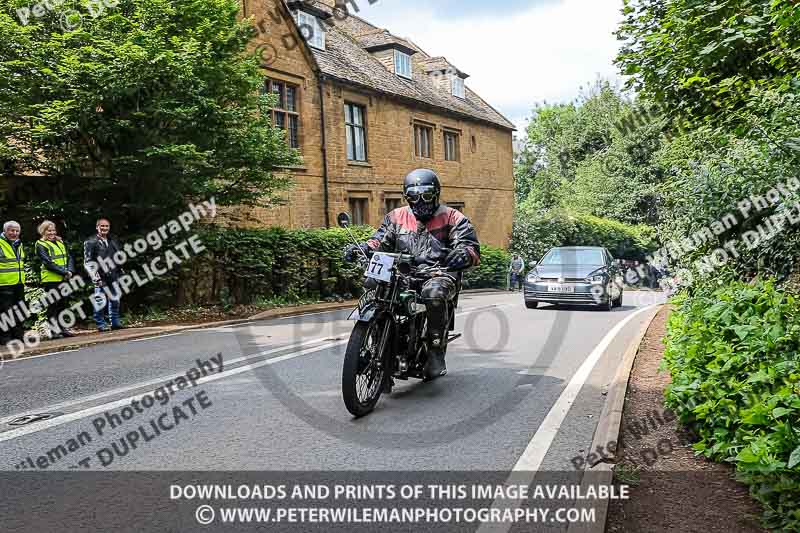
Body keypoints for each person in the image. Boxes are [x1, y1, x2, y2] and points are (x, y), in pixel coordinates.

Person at [343, 168, 481, 381]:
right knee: (372, 283)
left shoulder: (453, 217)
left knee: (434, 294)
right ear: (406, 196)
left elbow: (470, 246)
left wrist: (463, 254)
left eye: (426, 195)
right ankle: (373, 340)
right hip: (402, 274)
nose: (420, 201)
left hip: (437, 273)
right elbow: (379, 239)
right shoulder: (396, 217)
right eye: (414, 196)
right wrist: (364, 247)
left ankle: (435, 350)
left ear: (436, 194)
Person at [36, 220, 76, 339]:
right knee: (53, 305)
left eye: (53, 230)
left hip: (64, 278)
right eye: (49, 230)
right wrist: (65, 272)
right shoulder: (40, 244)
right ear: (43, 231)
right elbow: (48, 262)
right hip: (51, 279)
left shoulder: (59, 242)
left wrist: (70, 271)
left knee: (62, 305)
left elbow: (68, 257)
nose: (52, 233)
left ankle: (62, 328)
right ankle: (54, 331)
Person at [84, 218, 124, 332]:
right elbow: (88, 262)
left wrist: (120, 270)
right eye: (102, 226)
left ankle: (115, 323)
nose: (104, 228)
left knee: (115, 300)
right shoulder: (90, 242)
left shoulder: (113, 240)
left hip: (114, 274)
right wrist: (95, 276)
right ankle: (101, 324)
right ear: (97, 227)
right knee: (100, 301)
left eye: (106, 226)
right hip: (100, 276)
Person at [0, 221, 26, 344]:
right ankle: (5, 337)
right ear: (5, 231)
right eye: (12, 230)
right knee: (6, 311)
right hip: (4, 283)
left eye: (17, 231)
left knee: (20, 310)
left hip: (19, 282)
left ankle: (18, 335)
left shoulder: (18, 243)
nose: (14, 233)